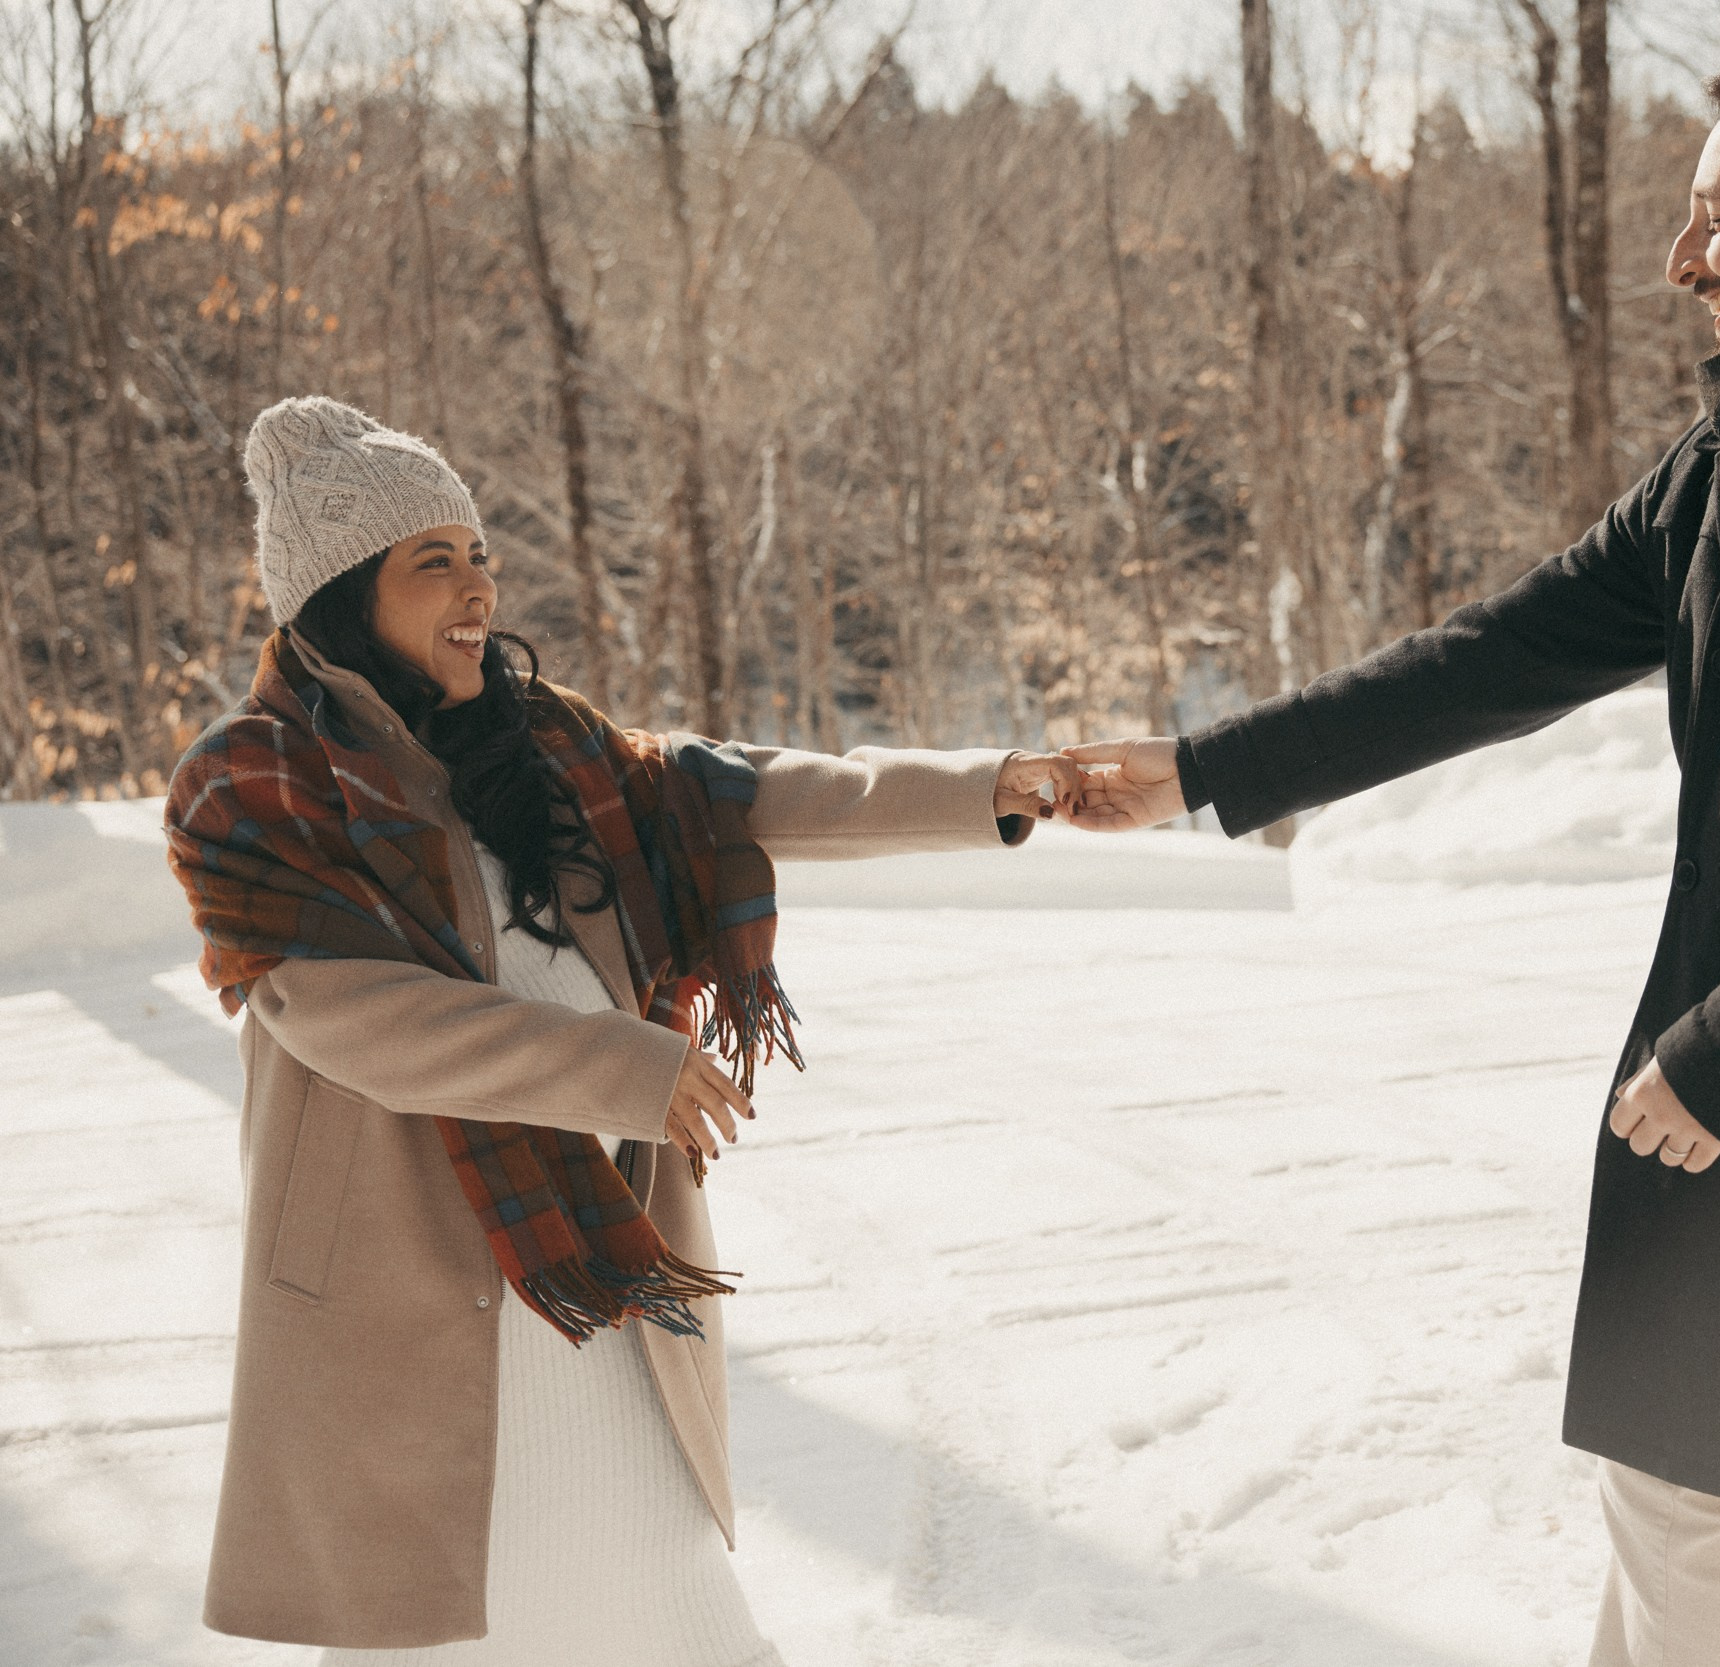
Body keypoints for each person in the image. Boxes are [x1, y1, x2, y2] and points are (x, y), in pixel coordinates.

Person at [1064, 46, 1720, 1667]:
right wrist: (1208, 767)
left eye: (1713, 216)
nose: (1680, 257)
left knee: (1709, 1495)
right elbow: (1500, 651)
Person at [165, 395, 1080, 1662]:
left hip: (596, 1259)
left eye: (480, 552)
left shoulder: (549, 745)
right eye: (434, 561)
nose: (479, 585)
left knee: (663, 1598)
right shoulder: (253, 779)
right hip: (413, 1287)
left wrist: (989, 787)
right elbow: (348, 1011)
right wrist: (623, 1066)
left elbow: (746, 788)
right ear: (341, 595)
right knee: (446, 1620)